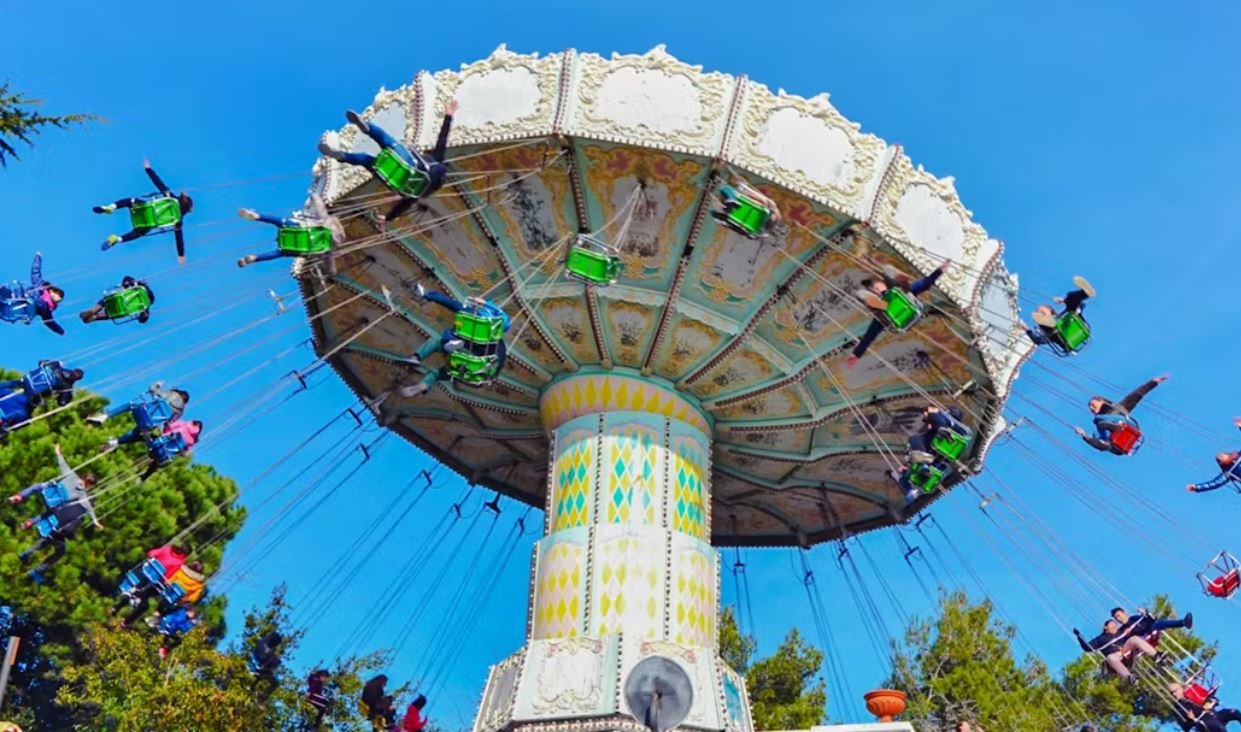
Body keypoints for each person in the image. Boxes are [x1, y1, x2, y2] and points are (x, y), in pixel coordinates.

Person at [319, 100, 458, 222]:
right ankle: (342, 156)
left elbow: (442, 139)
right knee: (367, 160)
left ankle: (367, 128)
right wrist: (388, 217)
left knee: (387, 141)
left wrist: (448, 116)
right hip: (395, 180)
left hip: (409, 165)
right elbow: (403, 206)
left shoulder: (436, 160)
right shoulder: (419, 193)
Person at [400, 284, 511, 395]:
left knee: (436, 342)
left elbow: (448, 302)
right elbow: (499, 360)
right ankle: (424, 385)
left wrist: (426, 294)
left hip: (463, 349)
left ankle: (416, 357)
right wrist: (492, 376)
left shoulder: (468, 311)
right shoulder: (499, 343)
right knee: (443, 372)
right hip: (475, 368)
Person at [845, 260, 950, 367]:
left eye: (877, 287)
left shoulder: (899, 291)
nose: (876, 290)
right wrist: (856, 354)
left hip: (906, 302)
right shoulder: (880, 317)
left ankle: (896, 284)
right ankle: (882, 303)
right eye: (875, 290)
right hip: (891, 312)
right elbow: (868, 337)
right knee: (862, 294)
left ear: (883, 284)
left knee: (888, 271)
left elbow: (925, 283)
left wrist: (940, 270)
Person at [94, 159, 193, 264]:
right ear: (188, 210)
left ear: (183, 199)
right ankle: (118, 239)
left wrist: (148, 169)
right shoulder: (178, 221)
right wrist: (181, 255)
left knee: (130, 201)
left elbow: (159, 183)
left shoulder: (172, 198)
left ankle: (111, 207)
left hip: (144, 208)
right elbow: (179, 239)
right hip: (148, 224)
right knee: (139, 233)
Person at [237, 191, 346, 268]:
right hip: (300, 248)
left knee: (280, 221)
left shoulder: (326, 221)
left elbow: (320, 206)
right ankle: (255, 258)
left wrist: (314, 194)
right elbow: (330, 265)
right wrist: (332, 272)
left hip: (301, 229)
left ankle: (258, 216)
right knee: (279, 253)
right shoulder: (330, 249)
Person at [10, 442, 101, 529]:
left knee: (36, 487)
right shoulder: (82, 495)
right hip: (53, 503)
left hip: (48, 493)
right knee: (49, 513)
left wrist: (58, 453)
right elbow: (89, 508)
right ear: (90, 485)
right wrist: (95, 521)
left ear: (84, 477)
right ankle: (31, 522)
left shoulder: (72, 476)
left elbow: (62, 464)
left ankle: (19, 496)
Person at [1073, 375, 1168, 454]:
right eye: (1090, 408)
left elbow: (1136, 395)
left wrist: (1153, 382)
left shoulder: (1119, 409)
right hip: (1114, 444)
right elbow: (1099, 444)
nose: (1091, 408)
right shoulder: (1100, 425)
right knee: (1101, 436)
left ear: (1101, 401)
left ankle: (1118, 429)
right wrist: (1084, 435)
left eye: (1092, 405)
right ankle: (1110, 436)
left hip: (1125, 430)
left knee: (1103, 425)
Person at [120, 560, 206, 628]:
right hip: (174, 600)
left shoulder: (181, 572)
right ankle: (157, 616)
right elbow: (193, 599)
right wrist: (183, 600)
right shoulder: (199, 585)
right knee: (175, 607)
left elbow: (170, 580)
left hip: (166, 591)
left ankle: (136, 596)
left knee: (151, 590)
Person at [111, 543, 192, 615]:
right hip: (152, 582)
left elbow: (151, 553)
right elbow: (168, 576)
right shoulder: (179, 562)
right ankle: (126, 605)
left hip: (144, 573)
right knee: (143, 600)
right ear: (185, 554)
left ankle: (116, 603)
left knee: (135, 587)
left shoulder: (168, 549)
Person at [0, 253, 65, 335]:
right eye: (59, 296)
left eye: (60, 300)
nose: (59, 300)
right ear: (52, 291)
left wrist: (60, 331)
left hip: (20, 308)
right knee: (4, 292)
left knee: (5, 311)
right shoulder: (40, 286)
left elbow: (49, 323)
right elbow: (35, 272)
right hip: (16, 294)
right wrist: (38, 258)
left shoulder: (47, 310)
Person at [1073, 619, 1158, 680]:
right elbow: (1088, 647)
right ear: (1106, 627)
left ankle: (1156, 655)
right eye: (1112, 625)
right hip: (1117, 657)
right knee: (1110, 658)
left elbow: (1138, 629)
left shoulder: (1121, 632)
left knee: (1134, 639)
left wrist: (1147, 619)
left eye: (1115, 625)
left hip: (1126, 650)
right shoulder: (1100, 639)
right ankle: (1129, 677)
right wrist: (1079, 637)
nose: (1115, 626)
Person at [1026, 276, 1095, 347]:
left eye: (1043, 313)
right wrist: (1027, 330)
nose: (1041, 314)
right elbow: (1037, 340)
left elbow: (1082, 304)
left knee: (1070, 297)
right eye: (1040, 314)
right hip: (1063, 338)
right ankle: (1050, 323)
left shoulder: (1067, 313)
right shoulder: (1051, 334)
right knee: (1049, 327)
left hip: (1074, 324)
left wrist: (1064, 301)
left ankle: (1086, 292)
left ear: (1051, 311)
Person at [89, 381, 190, 427]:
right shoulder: (180, 411)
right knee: (140, 433)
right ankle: (116, 441)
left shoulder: (171, 394)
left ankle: (105, 416)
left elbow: (152, 389)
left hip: (144, 413)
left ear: (178, 393)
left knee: (130, 405)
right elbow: (169, 423)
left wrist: (158, 384)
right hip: (150, 424)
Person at [710, 178, 782, 235]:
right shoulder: (758, 231)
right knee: (718, 209)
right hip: (734, 214)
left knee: (727, 192)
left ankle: (719, 187)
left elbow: (765, 201)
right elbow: (738, 229)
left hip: (737, 206)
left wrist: (745, 189)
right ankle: (716, 192)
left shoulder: (761, 230)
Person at [1187, 418, 1241, 494]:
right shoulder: (1227, 473)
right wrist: (1197, 487)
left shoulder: (1238, 456)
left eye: (1221, 455)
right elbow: (1214, 484)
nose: (1219, 457)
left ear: (1228, 455)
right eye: (1218, 460)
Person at [79, 275, 155, 324]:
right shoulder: (144, 303)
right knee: (114, 312)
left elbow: (127, 279)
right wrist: (144, 314)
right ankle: (95, 316)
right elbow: (143, 319)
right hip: (124, 307)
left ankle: (93, 311)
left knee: (107, 300)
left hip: (120, 301)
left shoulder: (136, 290)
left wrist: (126, 284)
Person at [1170, 681, 1241, 732]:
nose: (1174, 694)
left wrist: (1209, 704)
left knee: (1234, 712)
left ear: (1181, 688)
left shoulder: (1194, 693)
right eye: (1171, 693)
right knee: (1218, 727)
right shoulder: (1178, 709)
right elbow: (1185, 727)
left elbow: (1211, 699)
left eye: (1175, 691)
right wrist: (1191, 719)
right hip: (1204, 723)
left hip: (1214, 714)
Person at [1111, 606, 1193, 635]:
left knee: (1161, 623)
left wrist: (1145, 613)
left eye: (1118, 615)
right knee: (1157, 625)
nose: (1118, 619)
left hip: (1149, 630)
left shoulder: (1134, 618)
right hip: (1140, 638)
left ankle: (1183, 622)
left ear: (1124, 613)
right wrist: (1127, 634)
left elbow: (1151, 621)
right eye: (1116, 618)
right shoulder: (1122, 630)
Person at [250, 631, 284, 700]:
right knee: (275, 683)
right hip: (259, 668)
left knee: (266, 672)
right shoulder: (269, 652)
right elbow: (267, 659)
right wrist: (276, 661)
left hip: (255, 664)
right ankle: (262, 698)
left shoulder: (261, 642)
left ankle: (253, 686)